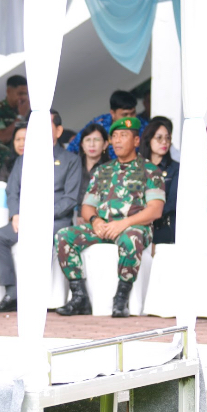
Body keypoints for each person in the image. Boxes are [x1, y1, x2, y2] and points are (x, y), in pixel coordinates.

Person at [55, 117, 164, 318]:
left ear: (136, 141)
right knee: (63, 236)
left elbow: (155, 210)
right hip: (103, 227)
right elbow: (87, 206)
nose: (117, 140)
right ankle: (79, 296)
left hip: (134, 226)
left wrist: (124, 223)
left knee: (131, 238)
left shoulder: (150, 170)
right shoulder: (103, 171)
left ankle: (121, 299)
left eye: (123, 135)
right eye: (114, 136)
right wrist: (95, 221)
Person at [0, 111, 81, 312]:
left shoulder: (70, 160)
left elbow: (70, 199)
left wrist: (42, 217)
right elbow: (12, 190)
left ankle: (37, 297)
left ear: (59, 131)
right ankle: (12, 293)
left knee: (38, 237)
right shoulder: (24, 159)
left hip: (56, 221)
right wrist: (15, 214)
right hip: (26, 220)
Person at [140, 117, 179, 245]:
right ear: (148, 139)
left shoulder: (175, 168)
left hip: (163, 227)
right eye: (159, 138)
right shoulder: (137, 167)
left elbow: (172, 202)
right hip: (137, 225)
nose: (164, 142)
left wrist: (148, 214)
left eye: (168, 138)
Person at [67, 90, 139, 159]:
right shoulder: (99, 125)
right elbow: (72, 148)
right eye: (125, 115)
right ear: (112, 113)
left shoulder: (141, 125)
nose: (130, 118)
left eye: (133, 113)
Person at [0, 75, 30, 176]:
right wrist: (20, 116)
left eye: (25, 94)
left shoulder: (27, 111)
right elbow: (3, 137)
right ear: (9, 92)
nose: (23, 97)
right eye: (20, 93)